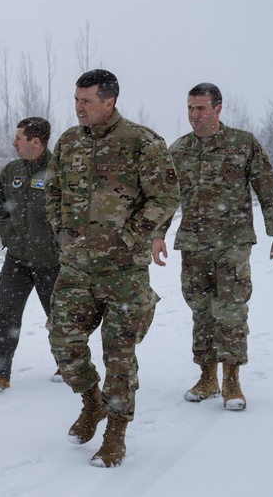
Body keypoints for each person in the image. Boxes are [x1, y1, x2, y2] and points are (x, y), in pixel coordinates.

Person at [46, 70, 179, 468]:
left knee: (119, 356)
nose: (78, 107)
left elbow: (166, 195)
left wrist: (130, 236)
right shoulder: (69, 142)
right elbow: (53, 192)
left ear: (110, 101)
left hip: (123, 271)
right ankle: (92, 402)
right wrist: (60, 229)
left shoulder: (142, 142)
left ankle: (116, 433)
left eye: (86, 101)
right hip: (75, 268)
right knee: (63, 344)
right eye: (75, 100)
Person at [152, 82, 273, 410]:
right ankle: (207, 376)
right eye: (190, 108)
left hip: (233, 241)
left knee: (230, 309)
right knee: (201, 311)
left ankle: (231, 379)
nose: (194, 115)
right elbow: (166, 197)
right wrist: (158, 233)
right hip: (194, 243)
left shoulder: (243, 144)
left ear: (218, 108)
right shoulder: (179, 150)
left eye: (201, 108)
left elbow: (266, 189)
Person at [0, 117, 62, 395]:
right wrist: (10, 238)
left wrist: (59, 244)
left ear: (35, 142)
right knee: (6, 316)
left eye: (19, 139)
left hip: (52, 262)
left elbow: (72, 213)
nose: (14, 143)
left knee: (60, 317)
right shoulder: (11, 170)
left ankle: (70, 366)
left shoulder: (58, 171)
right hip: (17, 261)